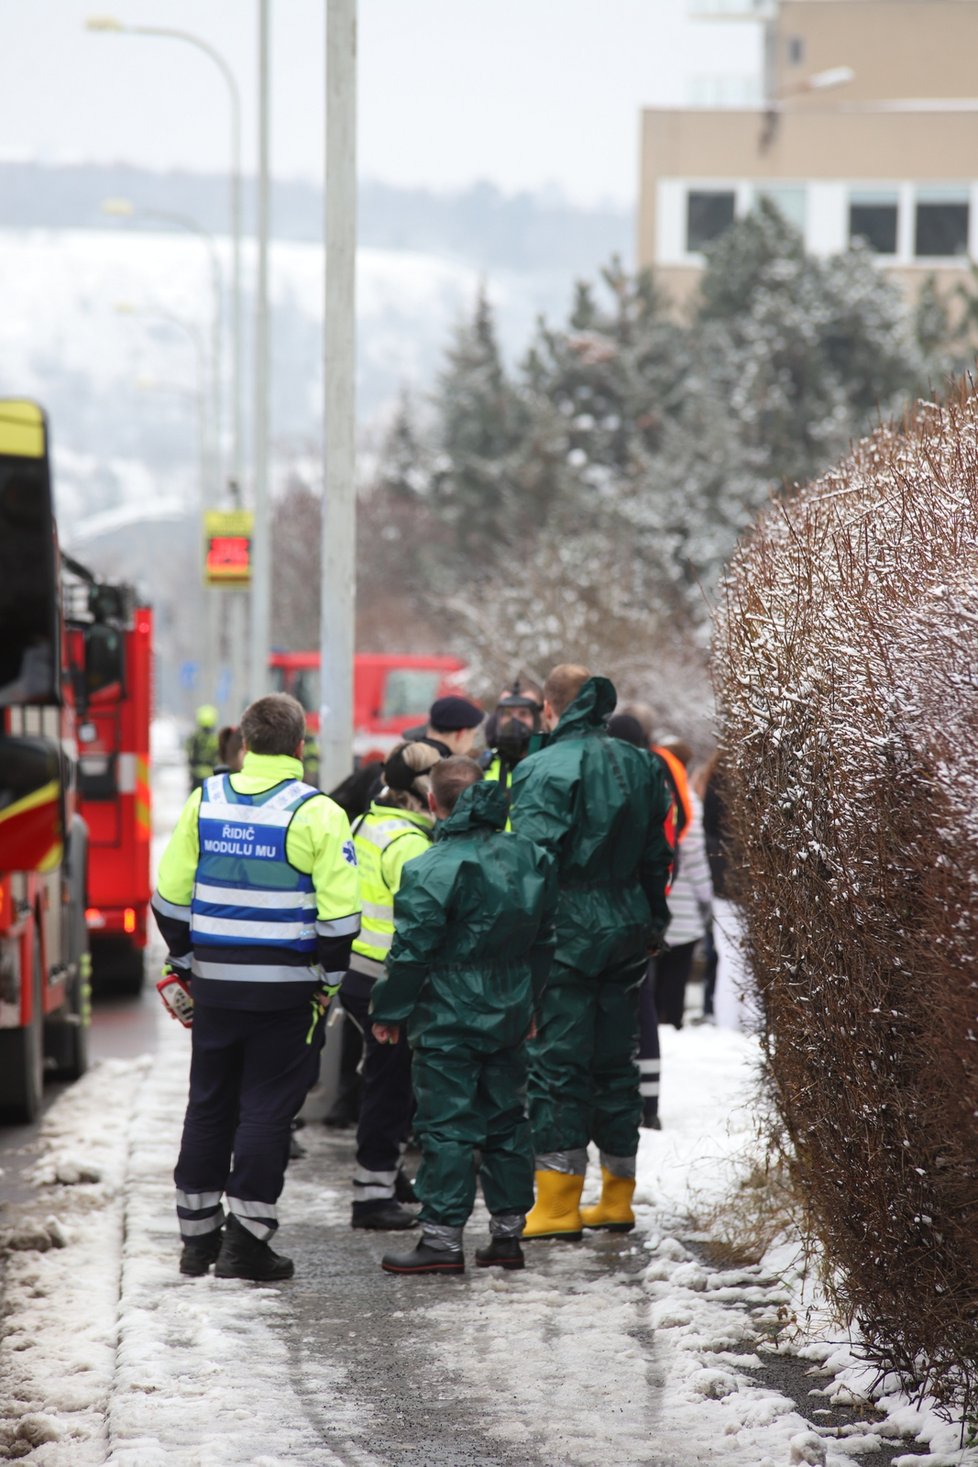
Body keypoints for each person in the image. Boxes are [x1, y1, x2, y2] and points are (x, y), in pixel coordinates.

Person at [151, 692, 361, 1281]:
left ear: (244, 744)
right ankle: (245, 1245)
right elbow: (341, 920)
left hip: (216, 989)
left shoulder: (206, 799)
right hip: (285, 993)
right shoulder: (317, 812)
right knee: (267, 1112)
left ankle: (197, 1243)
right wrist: (328, 979)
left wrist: (188, 962)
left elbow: (168, 897)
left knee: (209, 1103)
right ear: (299, 747)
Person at [370, 757, 557, 1275]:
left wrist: (389, 1011)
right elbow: (545, 941)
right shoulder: (532, 858)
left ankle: (442, 1241)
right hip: (511, 1006)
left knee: (448, 1124)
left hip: (447, 1010)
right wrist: (532, 1002)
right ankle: (506, 1237)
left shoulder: (430, 866)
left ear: (433, 803)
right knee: (506, 1119)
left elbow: (410, 953)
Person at [509, 665, 672, 1241]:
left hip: (567, 933)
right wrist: (656, 918)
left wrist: (520, 941)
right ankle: (617, 1198)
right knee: (615, 1063)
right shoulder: (644, 763)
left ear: (550, 709)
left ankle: (556, 1205)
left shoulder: (541, 769)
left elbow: (532, 867)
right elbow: (658, 854)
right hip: (628, 925)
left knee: (558, 1065)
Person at [343, 738, 444, 1231]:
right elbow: (421, 921)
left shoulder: (368, 822)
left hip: (358, 971)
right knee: (391, 1085)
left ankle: (387, 1176)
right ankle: (372, 1195)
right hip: (389, 980)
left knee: (386, 1080)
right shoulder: (408, 843)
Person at [653, 739, 713, 1030]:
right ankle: (672, 1024)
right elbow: (695, 856)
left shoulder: (652, 794)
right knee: (676, 976)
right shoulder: (688, 802)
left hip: (657, 902)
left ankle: (655, 1024)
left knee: (654, 978)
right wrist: (707, 897)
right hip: (685, 906)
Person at [482, 678, 544, 799]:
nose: (514, 722)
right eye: (507, 713)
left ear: (542, 714)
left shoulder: (555, 769)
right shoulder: (484, 769)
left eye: (523, 713)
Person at [406, 695, 484, 757]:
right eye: (474, 735)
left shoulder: (405, 755)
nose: (471, 744)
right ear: (460, 734)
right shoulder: (446, 772)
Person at [186, 704, 220, 793]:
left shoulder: (195, 738)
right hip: (212, 777)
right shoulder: (215, 739)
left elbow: (189, 754)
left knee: (195, 800)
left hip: (196, 776)